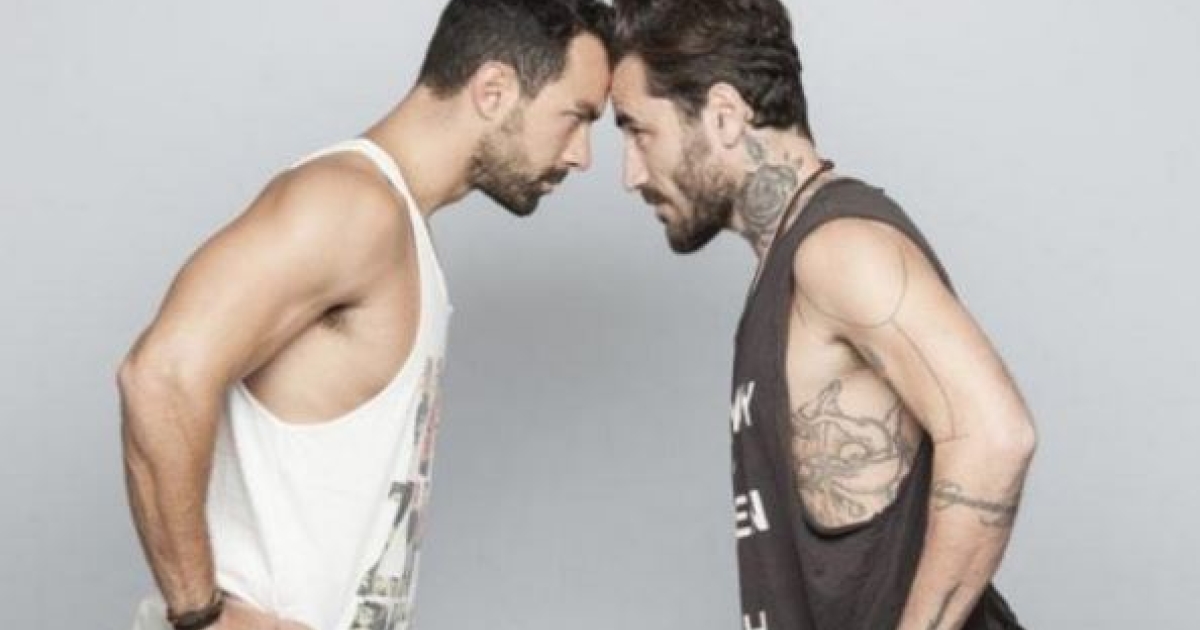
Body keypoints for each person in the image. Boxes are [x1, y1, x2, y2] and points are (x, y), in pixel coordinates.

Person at [118, 1, 613, 628]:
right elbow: (160, 376)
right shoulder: (350, 205)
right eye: (576, 117)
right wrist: (200, 616)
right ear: (493, 89)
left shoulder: (399, 227)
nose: (581, 156)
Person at [609, 1, 1035, 628]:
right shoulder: (788, 262)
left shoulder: (839, 250)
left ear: (723, 114)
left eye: (637, 130)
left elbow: (997, 435)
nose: (631, 173)